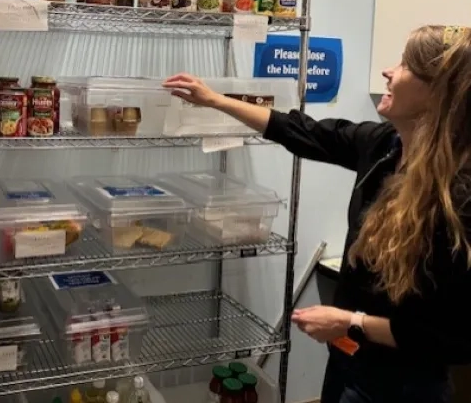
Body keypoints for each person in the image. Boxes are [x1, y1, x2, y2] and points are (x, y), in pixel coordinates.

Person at [163, 25, 471, 403]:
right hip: (348, 359)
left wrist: (351, 322)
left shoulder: (459, 195)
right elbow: (301, 130)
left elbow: (454, 337)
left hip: (405, 384)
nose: (388, 71)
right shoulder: (382, 146)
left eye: (405, 65)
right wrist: (216, 100)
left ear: (437, 92)